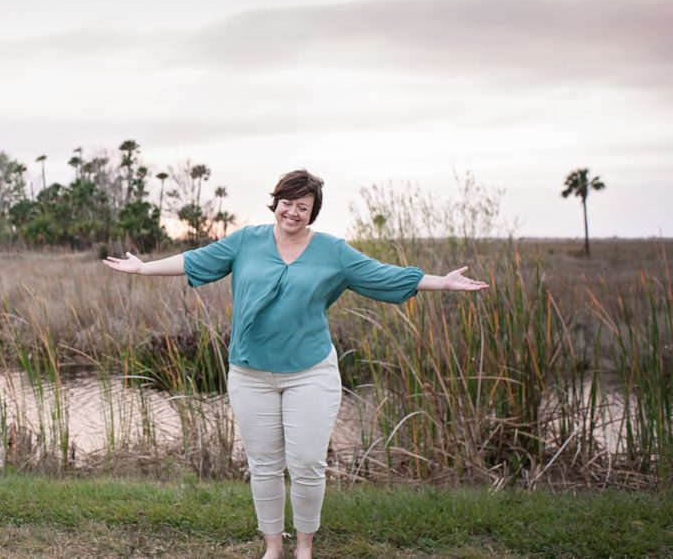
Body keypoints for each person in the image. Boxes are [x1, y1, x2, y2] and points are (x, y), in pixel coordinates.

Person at [102, 169, 489, 559]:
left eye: (302, 206)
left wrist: (441, 281)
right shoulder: (247, 241)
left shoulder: (332, 251)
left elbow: (380, 275)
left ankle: (304, 547)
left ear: (313, 212)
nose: (292, 212)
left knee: (306, 464)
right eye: (287, 203)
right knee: (265, 465)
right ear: (276, 203)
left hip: (310, 373)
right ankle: (273, 546)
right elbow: (195, 260)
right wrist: (142, 267)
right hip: (250, 373)